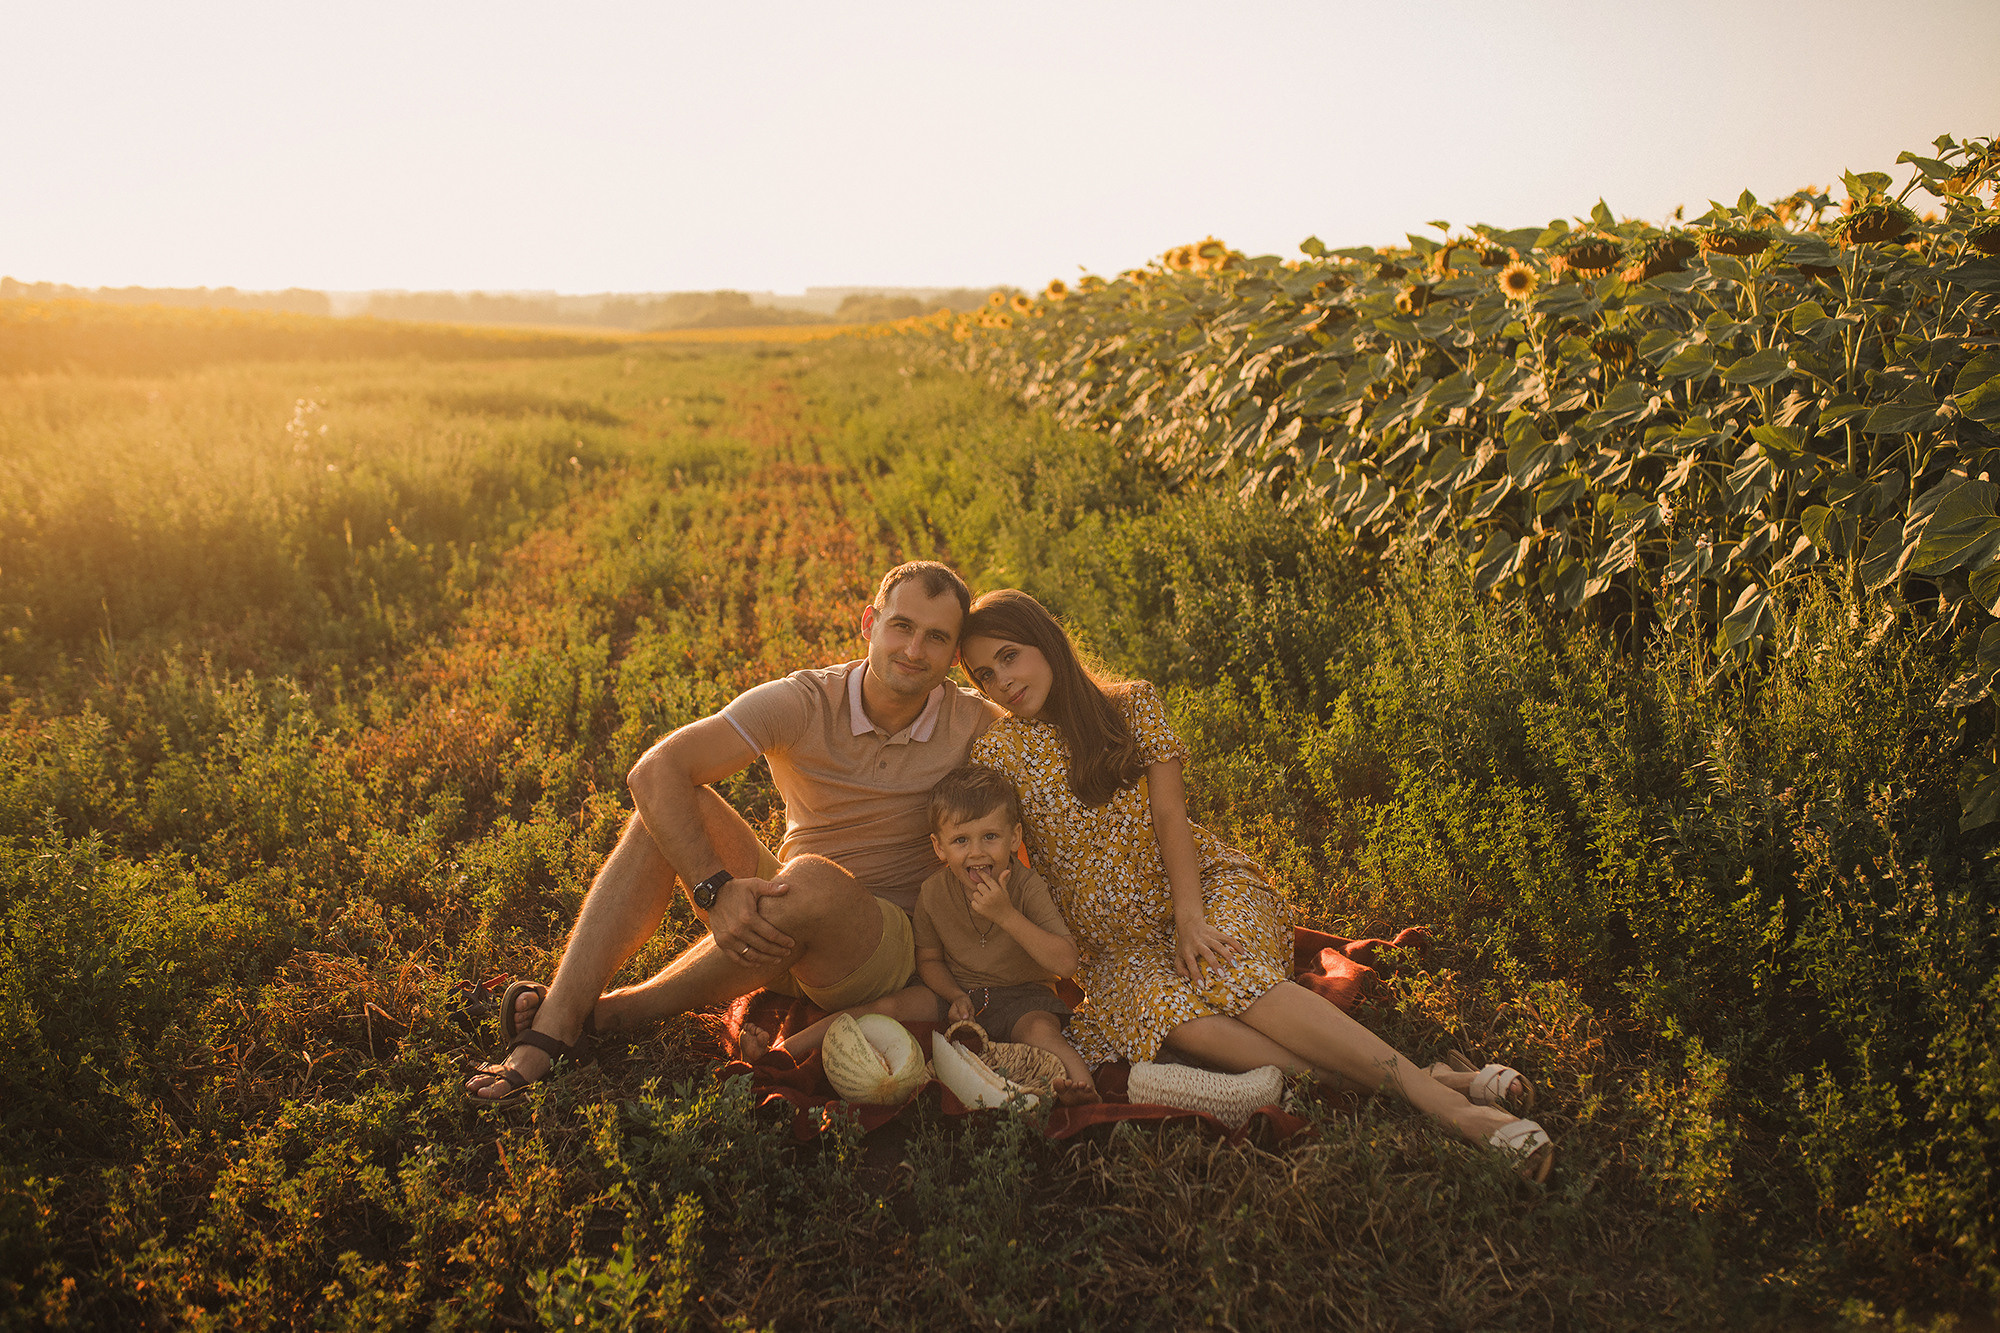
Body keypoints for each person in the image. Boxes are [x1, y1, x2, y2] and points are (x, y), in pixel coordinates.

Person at [958, 588, 1553, 1179]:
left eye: (1010, 656)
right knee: (1177, 1017)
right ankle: (1428, 1080)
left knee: (1219, 966)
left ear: (1049, 644)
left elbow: (1170, 818)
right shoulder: (1000, 751)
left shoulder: (1131, 707)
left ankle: (1453, 1112)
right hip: (1117, 950)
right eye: (985, 674)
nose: (1002, 682)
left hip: (1201, 889)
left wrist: (1192, 918)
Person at [464, 561, 1002, 1104]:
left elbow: (1063, 752)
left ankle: (607, 1014)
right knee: (672, 806)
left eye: (936, 637)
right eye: (902, 627)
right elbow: (655, 772)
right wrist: (713, 889)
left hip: (882, 946)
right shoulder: (806, 700)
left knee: (811, 879)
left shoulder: (974, 722)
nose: (914, 650)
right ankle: (561, 1016)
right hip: (777, 925)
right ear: (869, 623)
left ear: (956, 655)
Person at [737, 764, 1100, 1106]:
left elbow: (1065, 963)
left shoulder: (1026, 886)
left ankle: (1083, 1090)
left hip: (1023, 996)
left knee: (1041, 1032)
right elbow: (929, 960)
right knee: (885, 1008)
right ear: (939, 847)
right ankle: (780, 1053)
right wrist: (954, 993)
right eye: (960, 840)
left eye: (990, 836)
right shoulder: (933, 893)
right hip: (957, 992)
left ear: (1014, 837)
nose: (977, 852)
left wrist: (1006, 915)